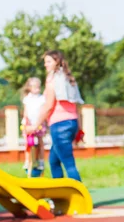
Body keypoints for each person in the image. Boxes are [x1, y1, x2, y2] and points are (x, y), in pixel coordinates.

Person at [26, 50, 84, 181]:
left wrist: (35, 126)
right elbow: (76, 106)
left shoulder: (52, 79)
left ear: (56, 62)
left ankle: (80, 198)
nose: (45, 65)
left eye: (48, 62)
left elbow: (48, 106)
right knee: (54, 161)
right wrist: (79, 128)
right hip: (71, 123)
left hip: (60, 125)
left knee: (69, 164)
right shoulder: (68, 78)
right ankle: (60, 197)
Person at [21, 77, 46, 173]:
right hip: (29, 124)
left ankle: (41, 161)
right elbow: (26, 111)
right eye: (35, 87)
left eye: (39, 87)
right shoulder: (27, 99)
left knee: (40, 142)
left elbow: (43, 111)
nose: (38, 89)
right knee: (28, 143)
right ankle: (27, 161)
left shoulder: (42, 98)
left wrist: (39, 123)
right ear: (30, 88)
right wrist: (26, 122)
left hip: (39, 124)